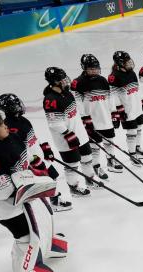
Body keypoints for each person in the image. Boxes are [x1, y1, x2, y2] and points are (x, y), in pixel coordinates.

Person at [0, 112, 68, 272]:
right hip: (6, 207)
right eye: (0, 124)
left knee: (45, 216)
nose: (5, 125)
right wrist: (24, 187)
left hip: (27, 193)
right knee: (24, 235)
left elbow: (28, 157)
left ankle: (47, 246)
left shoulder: (12, 137)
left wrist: (40, 168)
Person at [0, 93, 72, 211]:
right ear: (9, 108)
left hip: (38, 157)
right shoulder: (10, 127)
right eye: (15, 104)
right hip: (31, 162)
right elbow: (18, 149)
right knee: (43, 183)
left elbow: (33, 138)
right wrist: (33, 161)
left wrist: (45, 148)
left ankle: (54, 201)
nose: (19, 105)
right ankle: (53, 203)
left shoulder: (22, 120)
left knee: (52, 176)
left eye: (18, 103)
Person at [42, 66, 95, 197]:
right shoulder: (50, 99)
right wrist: (68, 134)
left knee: (87, 156)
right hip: (66, 139)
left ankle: (90, 178)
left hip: (79, 133)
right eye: (62, 79)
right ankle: (74, 187)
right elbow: (54, 123)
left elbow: (74, 113)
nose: (66, 81)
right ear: (55, 82)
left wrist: (83, 123)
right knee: (73, 163)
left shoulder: (67, 92)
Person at [71, 53, 119, 178]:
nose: (94, 70)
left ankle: (111, 161)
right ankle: (96, 166)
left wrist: (114, 113)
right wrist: (85, 118)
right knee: (95, 145)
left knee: (110, 141)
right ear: (84, 68)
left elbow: (110, 98)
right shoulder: (78, 83)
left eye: (96, 68)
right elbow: (77, 103)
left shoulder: (102, 80)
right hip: (92, 120)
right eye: (91, 68)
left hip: (105, 118)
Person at [108, 50, 143, 163]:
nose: (129, 63)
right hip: (127, 109)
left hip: (136, 106)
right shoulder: (113, 77)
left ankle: (137, 148)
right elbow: (113, 96)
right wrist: (119, 110)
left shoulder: (132, 73)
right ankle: (132, 154)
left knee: (139, 127)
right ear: (120, 63)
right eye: (126, 62)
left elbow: (137, 89)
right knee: (131, 131)